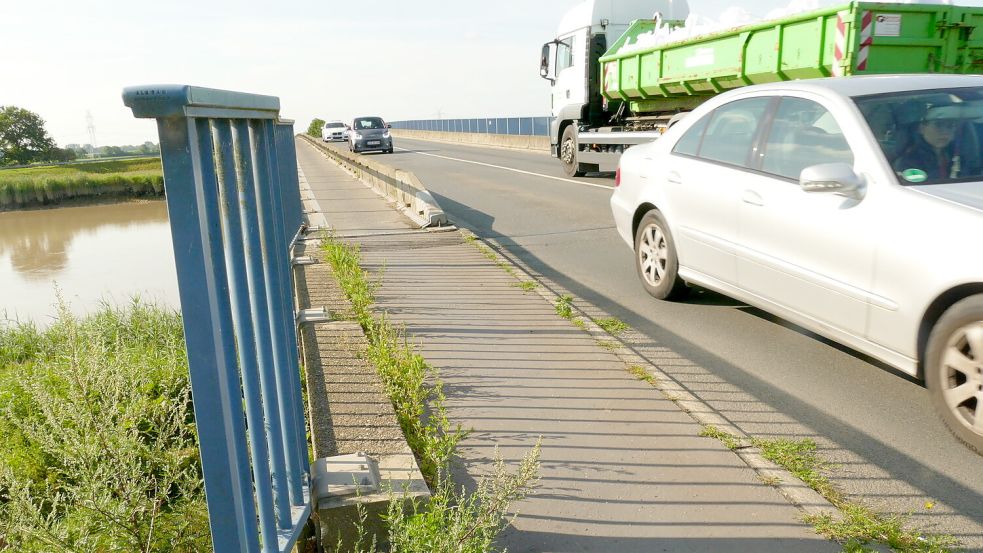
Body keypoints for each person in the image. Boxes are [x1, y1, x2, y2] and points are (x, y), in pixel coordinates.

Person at [893, 105, 979, 181]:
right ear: (922, 128)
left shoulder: (958, 158)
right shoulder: (908, 162)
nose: (945, 132)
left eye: (950, 126)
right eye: (938, 125)